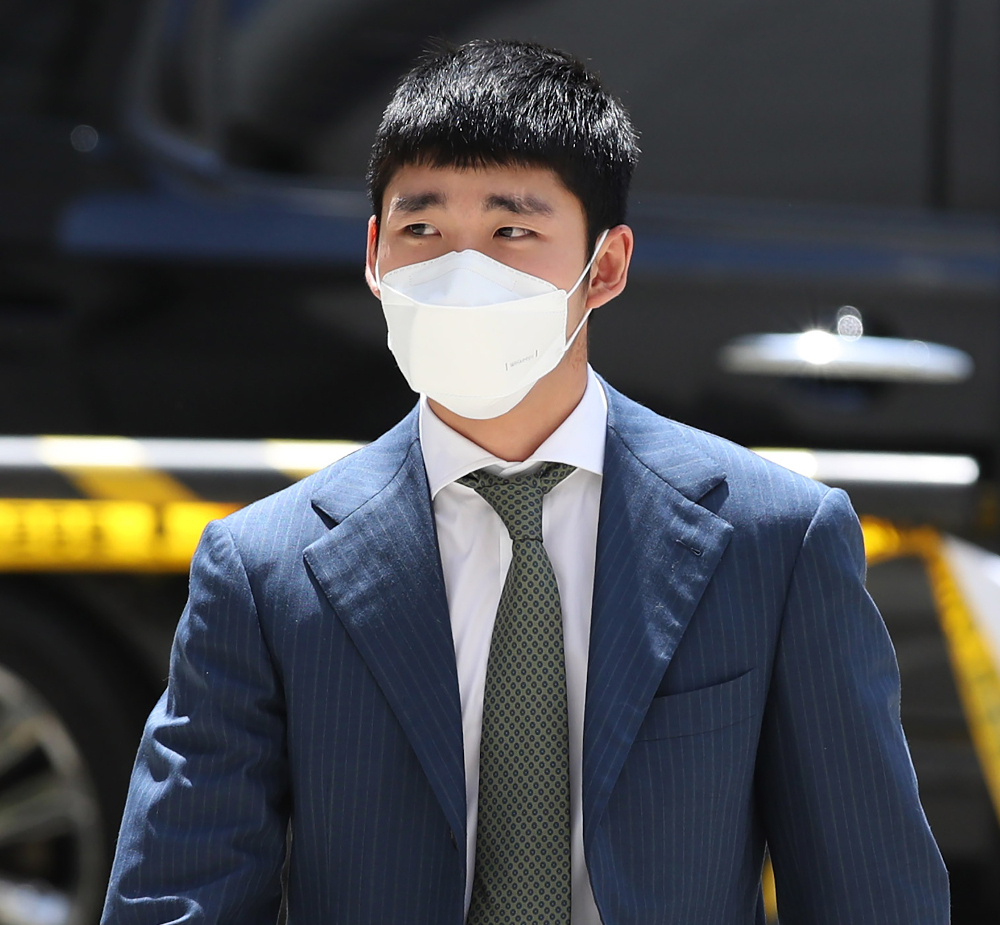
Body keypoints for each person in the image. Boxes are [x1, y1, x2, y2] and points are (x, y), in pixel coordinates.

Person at [103, 39, 948, 925]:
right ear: (373, 257)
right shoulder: (263, 567)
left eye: (513, 231)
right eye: (421, 229)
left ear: (606, 267)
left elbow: (872, 892)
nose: (462, 271)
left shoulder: (775, 538)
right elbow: (175, 895)